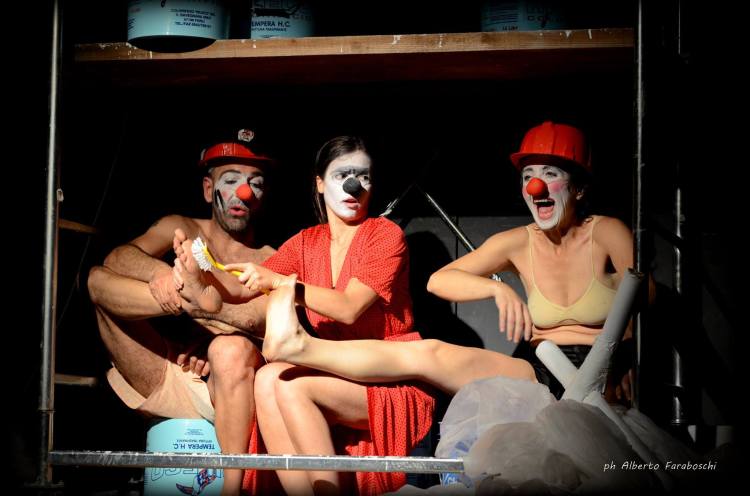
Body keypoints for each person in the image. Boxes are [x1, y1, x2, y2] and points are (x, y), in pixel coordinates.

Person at [254, 121, 638, 405]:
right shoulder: (518, 240)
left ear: (579, 187)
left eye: (550, 174)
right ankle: (301, 347)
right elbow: (439, 281)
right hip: (541, 367)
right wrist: (495, 288)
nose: (535, 186)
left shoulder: (607, 232)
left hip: (603, 370)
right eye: (528, 176)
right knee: (429, 352)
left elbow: (643, 296)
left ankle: (301, 347)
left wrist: (623, 357)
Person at [175, 136, 436, 496]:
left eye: (363, 176)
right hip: (336, 373)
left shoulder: (384, 235)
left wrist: (284, 284)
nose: (354, 186)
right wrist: (200, 271)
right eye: (342, 175)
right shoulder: (306, 242)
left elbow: (349, 307)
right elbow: (239, 289)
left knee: (292, 385)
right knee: (269, 378)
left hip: (390, 378)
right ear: (319, 183)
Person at [87, 127, 276, 496]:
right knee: (98, 280)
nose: (244, 192)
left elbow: (264, 321)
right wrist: (168, 280)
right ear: (208, 188)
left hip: (229, 386)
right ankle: (188, 296)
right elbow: (118, 258)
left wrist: (209, 325)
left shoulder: (270, 258)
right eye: (231, 180)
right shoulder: (182, 228)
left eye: (255, 183)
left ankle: (232, 491)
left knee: (230, 349)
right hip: (172, 373)